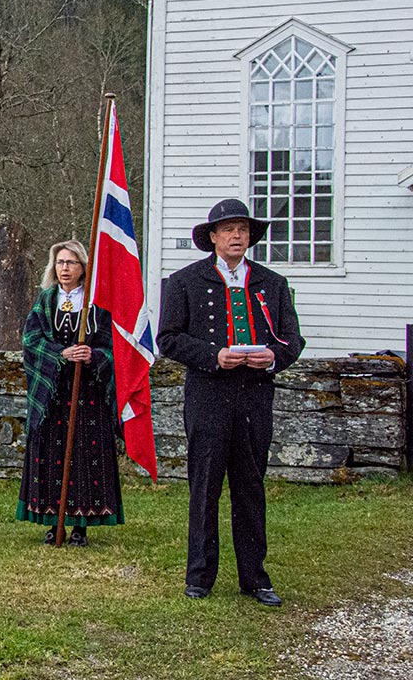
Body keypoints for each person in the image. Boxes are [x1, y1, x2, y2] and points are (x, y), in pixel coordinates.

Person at [158, 199, 304, 606]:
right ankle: (200, 575)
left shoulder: (272, 283)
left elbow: (293, 339)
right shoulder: (185, 280)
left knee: (250, 487)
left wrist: (273, 356)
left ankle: (255, 577)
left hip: (255, 396)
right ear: (213, 238)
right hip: (208, 395)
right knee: (205, 486)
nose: (236, 236)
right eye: (228, 230)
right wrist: (213, 355)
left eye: (242, 229)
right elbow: (168, 337)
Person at [17, 240, 123, 546]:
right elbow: (31, 342)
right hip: (53, 397)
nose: (65, 268)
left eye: (72, 263)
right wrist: (61, 354)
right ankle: (53, 523)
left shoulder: (96, 305)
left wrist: (93, 356)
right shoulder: (46, 301)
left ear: (83, 268)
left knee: (84, 455)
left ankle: (81, 527)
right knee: (51, 457)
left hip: (88, 395)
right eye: (61, 263)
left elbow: (113, 347)